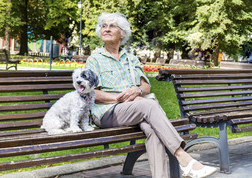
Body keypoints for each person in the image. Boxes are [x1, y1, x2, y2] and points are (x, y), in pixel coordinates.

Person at [85, 12, 217, 178]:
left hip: (136, 110)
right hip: (106, 112)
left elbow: (146, 86)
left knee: (154, 130)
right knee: (148, 105)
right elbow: (91, 93)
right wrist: (121, 99)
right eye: (103, 26)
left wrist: (137, 91)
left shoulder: (131, 59)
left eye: (112, 26)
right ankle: (184, 158)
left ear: (122, 33)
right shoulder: (94, 60)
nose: (106, 29)